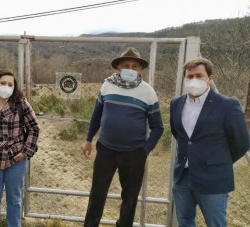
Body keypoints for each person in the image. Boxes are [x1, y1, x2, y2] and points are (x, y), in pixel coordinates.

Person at [81, 47, 164, 227]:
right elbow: (96, 115)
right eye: (126, 65)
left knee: (130, 197)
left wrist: (145, 150)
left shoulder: (148, 92)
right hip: (105, 150)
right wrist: (88, 140)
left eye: (135, 66)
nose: (131, 69)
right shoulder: (107, 85)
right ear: (118, 67)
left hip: (134, 154)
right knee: (97, 193)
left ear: (140, 69)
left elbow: (158, 127)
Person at [170, 57, 250, 227]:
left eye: (199, 76)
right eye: (189, 76)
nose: (194, 80)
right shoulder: (176, 103)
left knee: (215, 224)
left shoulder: (228, 105)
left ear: (210, 78)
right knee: (184, 222)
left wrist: (218, 162)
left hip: (214, 179)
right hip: (183, 177)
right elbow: (180, 135)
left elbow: (241, 142)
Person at [0, 69, 40, 227]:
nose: (6, 87)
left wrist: (26, 151)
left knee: (14, 200)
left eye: (10, 84)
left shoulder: (20, 104)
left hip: (16, 160)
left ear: (14, 87)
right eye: (3, 83)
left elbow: (34, 128)